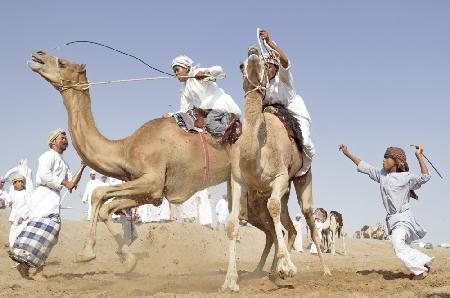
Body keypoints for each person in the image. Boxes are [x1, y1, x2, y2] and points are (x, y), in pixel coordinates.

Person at [339, 144, 433, 280]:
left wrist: (419, 156)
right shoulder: (382, 175)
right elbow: (364, 166)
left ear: (396, 161)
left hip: (403, 218)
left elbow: (425, 177)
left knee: (398, 245)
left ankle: (420, 269)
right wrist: (347, 153)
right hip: (393, 220)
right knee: (400, 247)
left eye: (386, 157)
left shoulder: (406, 178)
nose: (383, 160)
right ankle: (423, 264)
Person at [9, 128, 86, 281]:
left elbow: (72, 183)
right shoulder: (47, 156)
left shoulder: (64, 163)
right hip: (43, 197)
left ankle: (30, 268)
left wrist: (83, 166)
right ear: (53, 142)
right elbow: (44, 175)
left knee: (50, 235)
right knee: (42, 233)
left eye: (65, 138)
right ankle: (31, 269)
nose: (65, 139)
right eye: (61, 137)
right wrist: (65, 182)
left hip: (53, 199)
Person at [258, 29, 314, 176]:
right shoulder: (261, 85)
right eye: (264, 66)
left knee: (306, 143)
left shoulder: (283, 77)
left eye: (269, 66)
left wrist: (269, 43)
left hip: (292, 109)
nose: (267, 69)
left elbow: (285, 61)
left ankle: (301, 170)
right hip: (272, 112)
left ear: (276, 68)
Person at [165, 55, 241, 136]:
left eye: (177, 70)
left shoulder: (197, 73)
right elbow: (184, 109)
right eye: (174, 72)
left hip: (220, 105)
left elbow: (219, 70)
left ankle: (232, 131)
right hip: (208, 111)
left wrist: (206, 73)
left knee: (209, 122)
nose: (176, 73)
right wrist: (171, 115)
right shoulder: (184, 90)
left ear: (186, 68)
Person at [8, 174, 31, 248]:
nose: (21, 183)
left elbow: (29, 206)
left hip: (23, 220)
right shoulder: (12, 193)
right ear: (14, 183)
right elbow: (14, 207)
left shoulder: (26, 193)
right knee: (12, 237)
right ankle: (12, 251)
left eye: (22, 182)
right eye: (19, 181)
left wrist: (22, 217)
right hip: (15, 220)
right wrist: (11, 219)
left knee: (20, 236)